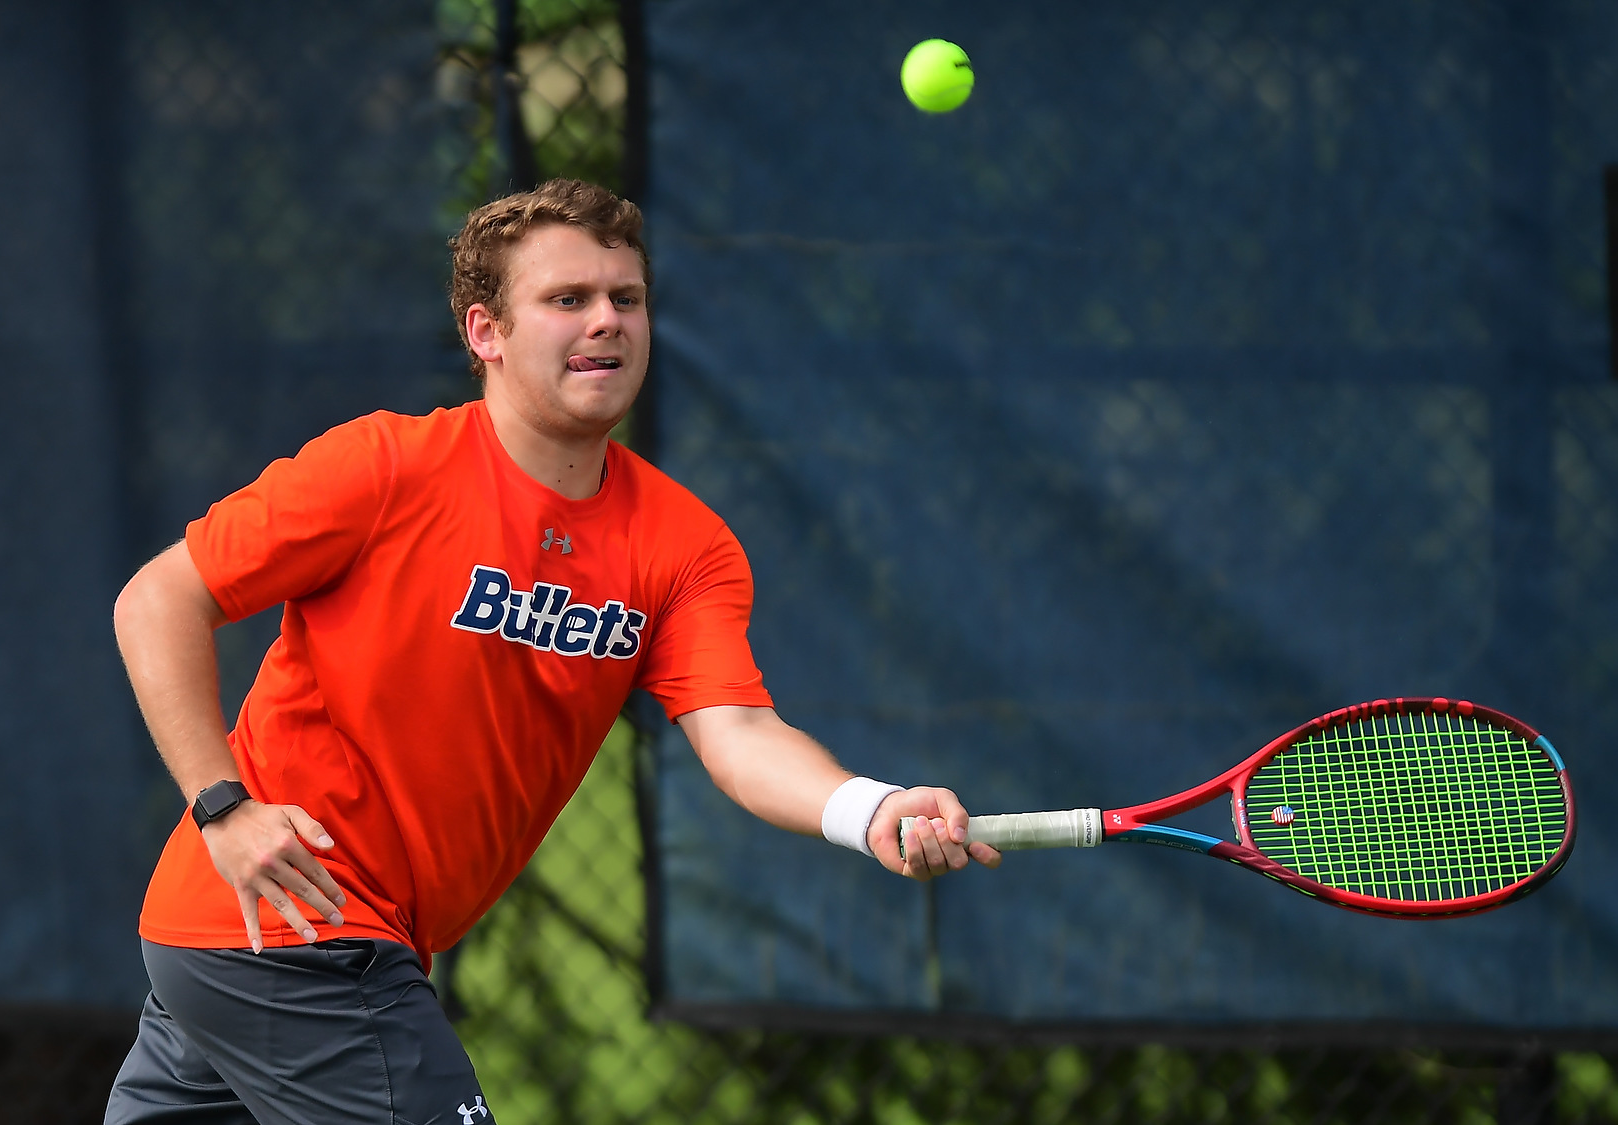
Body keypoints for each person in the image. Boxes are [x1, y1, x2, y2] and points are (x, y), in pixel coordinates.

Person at [102, 178, 1000, 1125]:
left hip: (251, 943)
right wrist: (223, 806)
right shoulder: (383, 466)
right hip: (298, 927)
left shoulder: (683, 545)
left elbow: (737, 729)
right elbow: (159, 598)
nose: (606, 321)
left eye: (627, 298)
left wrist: (873, 809)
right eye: (567, 299)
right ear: (485, 331)